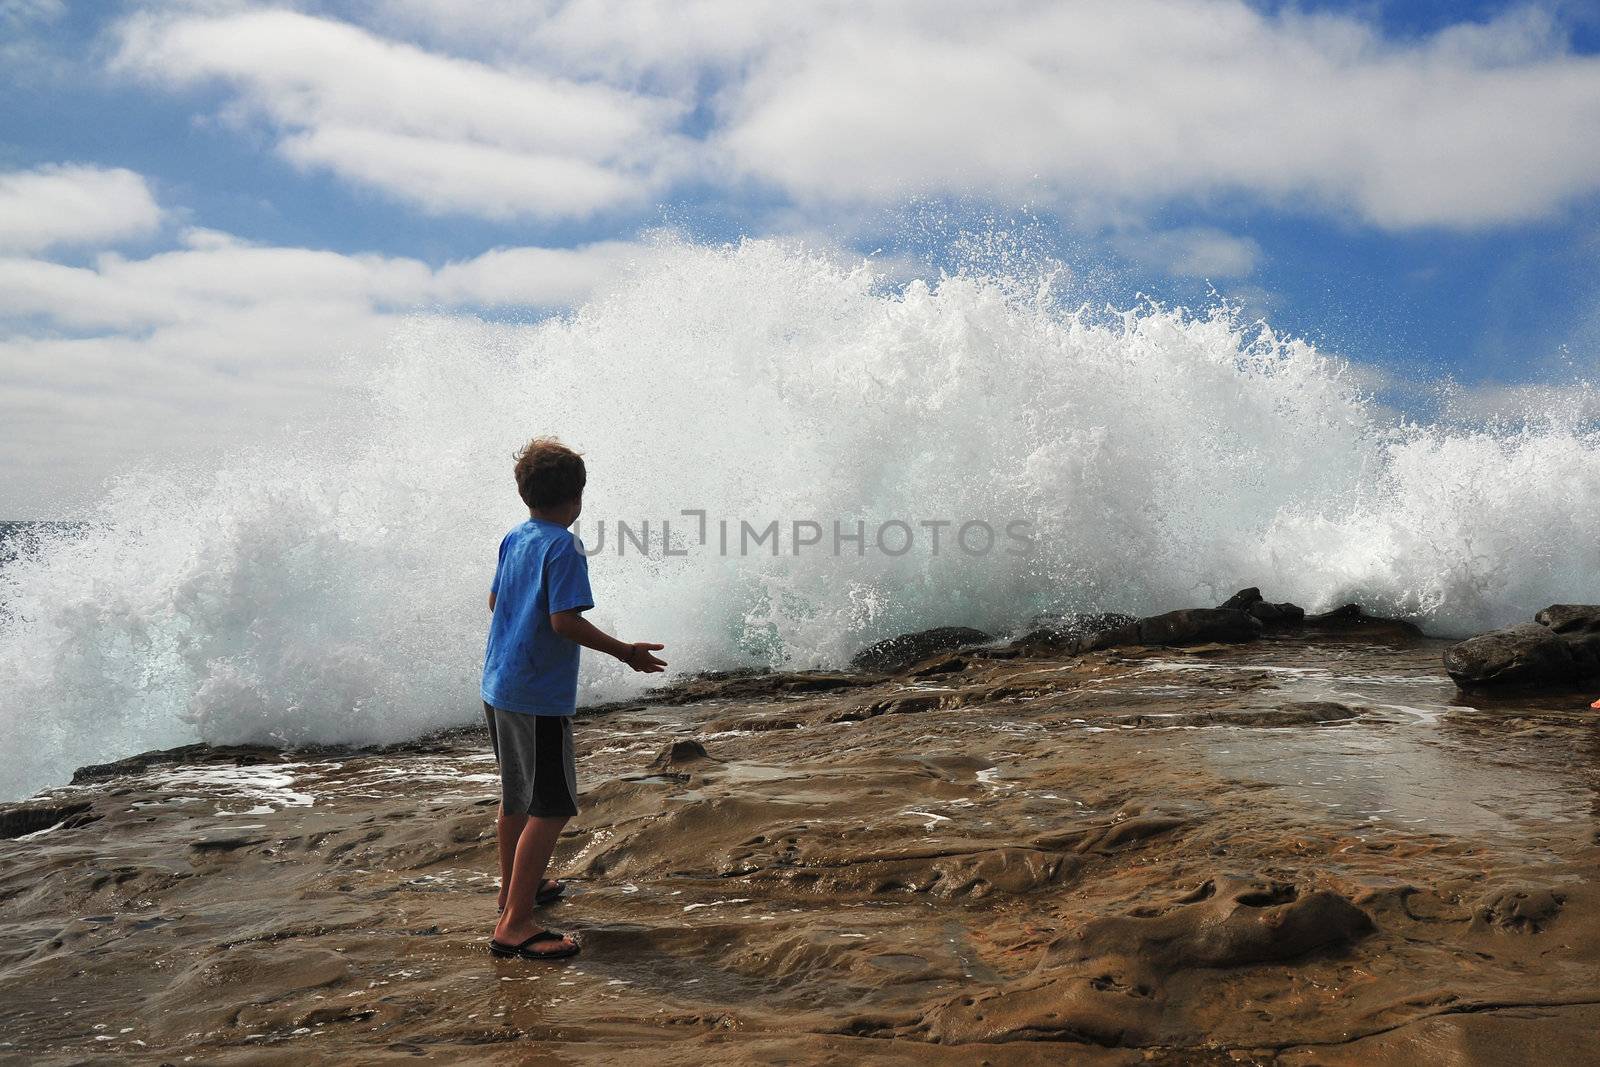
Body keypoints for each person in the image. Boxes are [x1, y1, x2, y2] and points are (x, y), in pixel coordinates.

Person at [483, 437, 666, 960]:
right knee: (554, 805)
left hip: (499, 685)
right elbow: (563, 621)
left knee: (517, 796)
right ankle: (515, 924)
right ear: (577, 496)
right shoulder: (563, 546)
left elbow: (496, 600)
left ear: (527, 494)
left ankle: (516, 891)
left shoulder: (515, 538)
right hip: (537, 697)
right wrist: (626, 652)